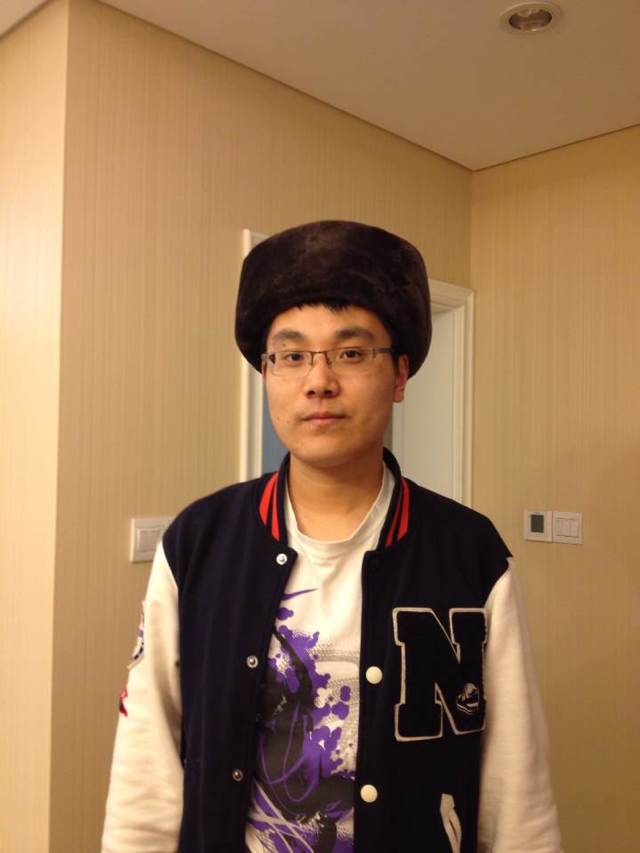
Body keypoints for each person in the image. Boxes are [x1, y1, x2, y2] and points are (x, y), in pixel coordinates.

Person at [102, 220, 562, 852]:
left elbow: (516, 786)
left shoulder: (470, 553)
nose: (318, 381)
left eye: (350, 353)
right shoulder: (200, 544)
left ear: (400, 375)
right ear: (267, 374)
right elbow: (146, 766)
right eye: (291, 356)